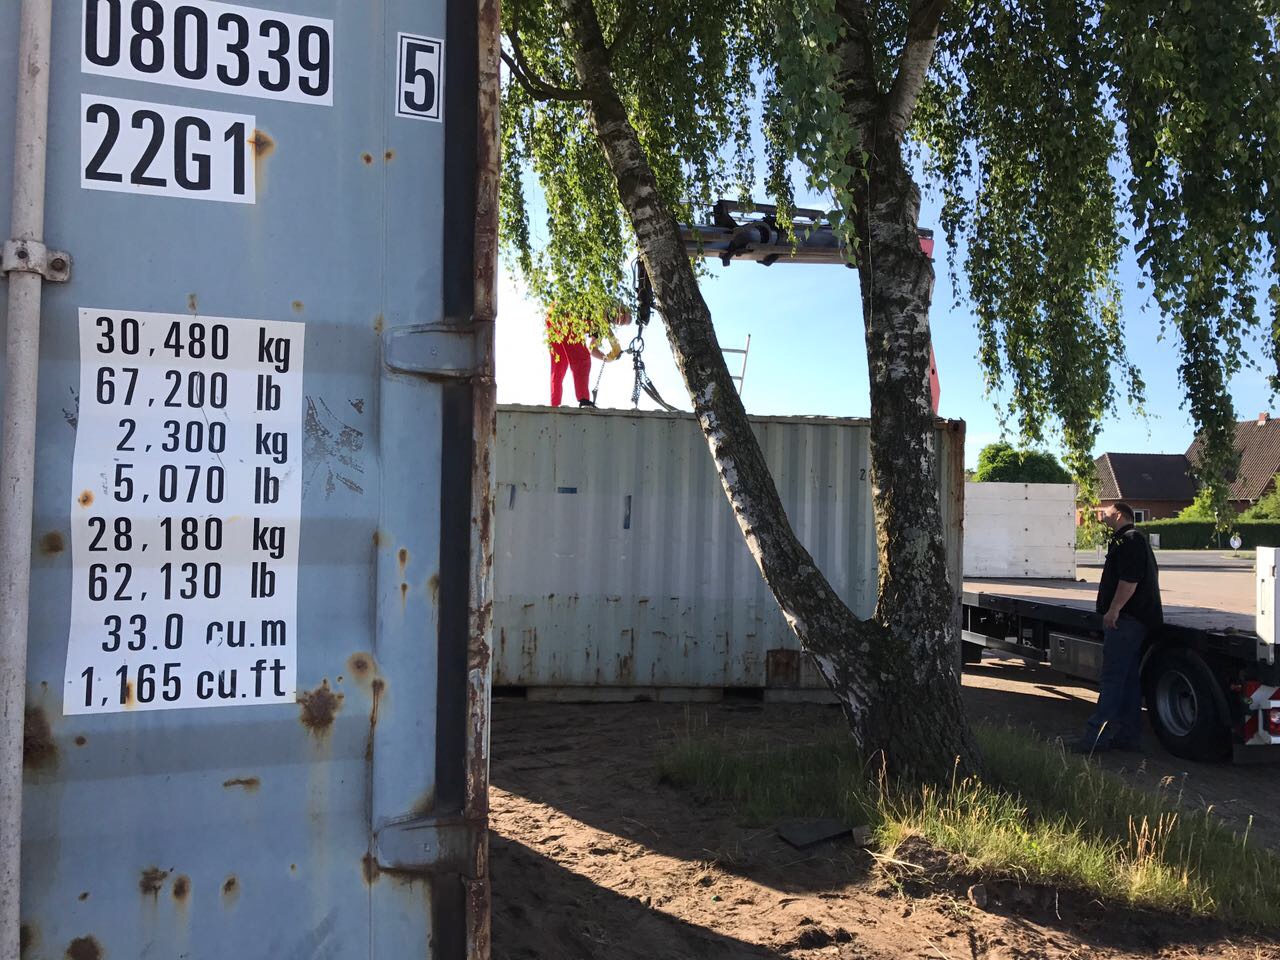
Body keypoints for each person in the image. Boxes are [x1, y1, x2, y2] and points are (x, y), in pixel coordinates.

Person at [1072, 501, 1163, 754]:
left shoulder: (1130, 540)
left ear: (1120, 515)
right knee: (1128, 680)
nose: (1103, 517)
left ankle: (1096, 738)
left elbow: (1129, 580)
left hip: (1127, 621)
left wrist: (1114, 610)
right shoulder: (1130, 539)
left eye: (1107, 513)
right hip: (1135, 620)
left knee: (1112, 679)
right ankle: (1127, 736)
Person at [546, 305, 631, 408]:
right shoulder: (602, 304)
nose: (620, 321)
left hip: (554, 319)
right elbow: (604, 322)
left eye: (622, 323)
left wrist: (606, 358)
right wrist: (615, 345)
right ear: (620, 309)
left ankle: (554, 404)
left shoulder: (601, 326)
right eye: (623, 317)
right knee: (582, 359)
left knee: (559, 364)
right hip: (564, 314)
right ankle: (584, 400)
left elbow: (592, 349)